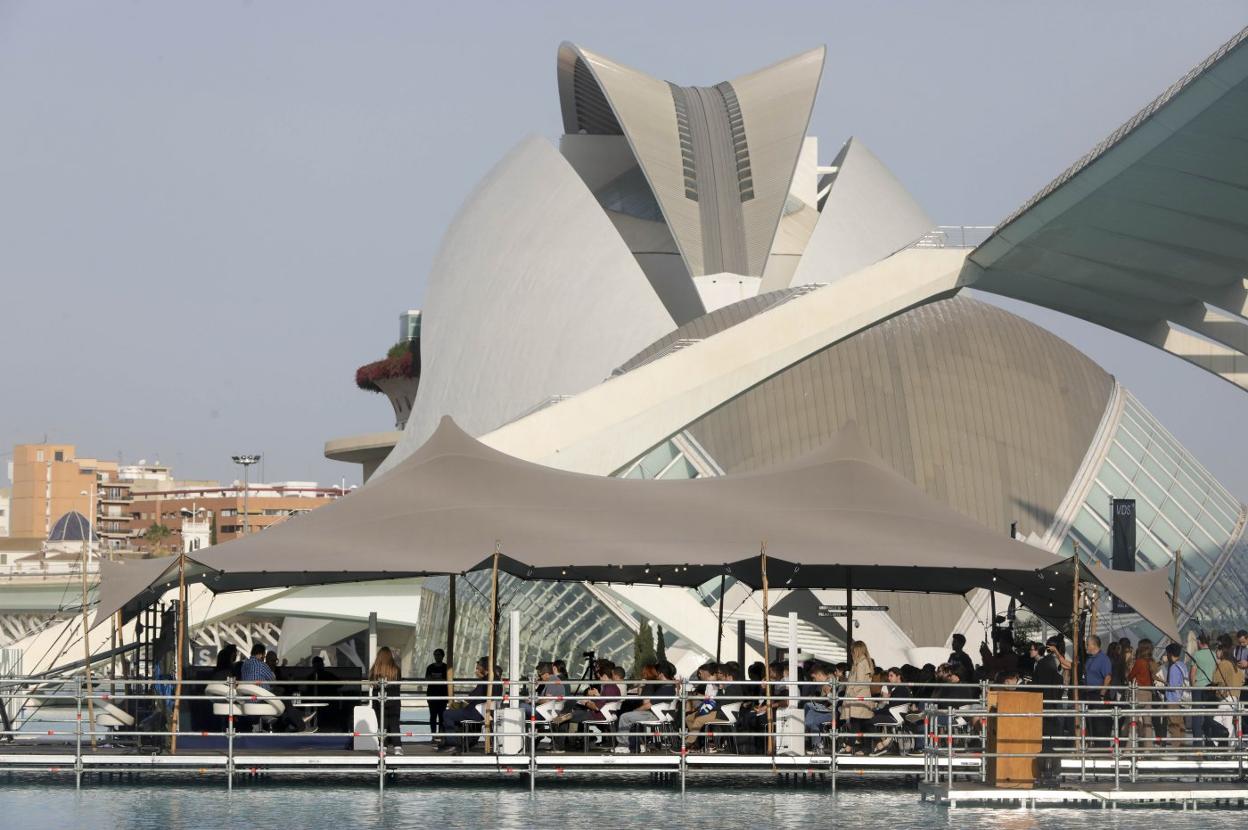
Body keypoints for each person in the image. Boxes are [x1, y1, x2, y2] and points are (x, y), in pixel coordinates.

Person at [615, 663, 675, 754]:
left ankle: (624, 744)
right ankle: (636, 744)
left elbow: (648, 705)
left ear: (661, 674)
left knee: (624, 717)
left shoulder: (665, 688)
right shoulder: (669, 686)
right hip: (658, 713)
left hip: (654, 714)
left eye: (656, 672)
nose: (655, 674)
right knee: (629, 717)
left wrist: (636, 710)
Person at [439, 658, 492, 749]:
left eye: (478, 668)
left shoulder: (485, 681)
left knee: (447, 714)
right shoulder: (493, 680)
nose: (476, 670)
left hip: (476, 712)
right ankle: (467, 741)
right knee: (456, 713)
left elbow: (470, 698)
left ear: (484, 667)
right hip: (484, 711)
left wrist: (457, 705)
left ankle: (451, 742)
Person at [841, 641, 877, 755]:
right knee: (866, 723)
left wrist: (851, 693)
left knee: (856, 722)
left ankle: (849, 746)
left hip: (859, 697)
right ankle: (877, 744)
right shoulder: (863, 662)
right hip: (861, 696)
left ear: (857, 650)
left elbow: (860, 682)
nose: (851, 653)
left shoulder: (861, 663)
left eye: (853, 651)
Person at [368, 646, 403, 754]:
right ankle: (397, 747)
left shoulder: (375, 669)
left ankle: (383, 747)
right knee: (394, 723)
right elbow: (399, 684)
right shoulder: (396, 669)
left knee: (381, 724)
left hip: (379, 700)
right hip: (394, 699)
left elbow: (372, 684)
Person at [1128, 639, 1164, 741]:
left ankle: (1131, 747)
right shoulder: (1151, 662)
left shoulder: (1140, 662)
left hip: (1140, 692)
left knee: (1133, 720)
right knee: (1147, 721)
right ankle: (1148, 747)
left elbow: (1131, 675)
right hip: (1149, 693)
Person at [684, 663, 722, 749]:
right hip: (708, 707)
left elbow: (715, 697)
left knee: (697, 720)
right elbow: (708, 698)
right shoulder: (709, 683)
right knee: (689, 718)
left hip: (714, 709)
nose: (699, 675)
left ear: (706, 672)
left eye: (700, 673)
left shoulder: (715, 682)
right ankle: (694, 741)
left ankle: (688, 743)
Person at [1083, 635, 1113, 743]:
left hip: (1098, 694)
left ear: (1094, 645)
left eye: (1088, 644)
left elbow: (1108, 677)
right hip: (1089, 694)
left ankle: (1102, 749)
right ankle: (1093, 745)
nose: (1086, 646)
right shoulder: (1089, 658)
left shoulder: (1103, 659)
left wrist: (1102, 694)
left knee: (1100, 724)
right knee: (1090, 723)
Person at [1189, 632, 1217, 745]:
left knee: (1197, 715)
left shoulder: (1197, 655)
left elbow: (1193, 673)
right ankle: (1209, 739)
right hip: (1210, 688)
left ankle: (1197, 742)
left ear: (1200, 642)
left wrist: (1193, 686)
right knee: (1208, 714)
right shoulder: (1213, 654)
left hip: (1198, 687)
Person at [1163, 643, 1189, 745]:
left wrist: (1164, 684)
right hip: (1181, 700)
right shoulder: (1182, 665)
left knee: (1173, 725)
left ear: (1170, 654)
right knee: (1181, 724)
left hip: (1173, 700)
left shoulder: (1174, 667)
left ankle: (1175, 748)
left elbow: (1172, 686)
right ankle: (1181, 747)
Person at [424, 649, 449, 737]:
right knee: (433, 716)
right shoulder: (430, 667)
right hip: (432, 695)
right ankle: (434, 735)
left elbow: (447, 680)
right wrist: (439, 679)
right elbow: (427, 679)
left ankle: (441, 735)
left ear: (443, 656)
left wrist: (433, 679)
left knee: (442, 716)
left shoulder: (446, 667)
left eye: (438, 655)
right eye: (435, 655)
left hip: (443, 695)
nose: (436, 656)